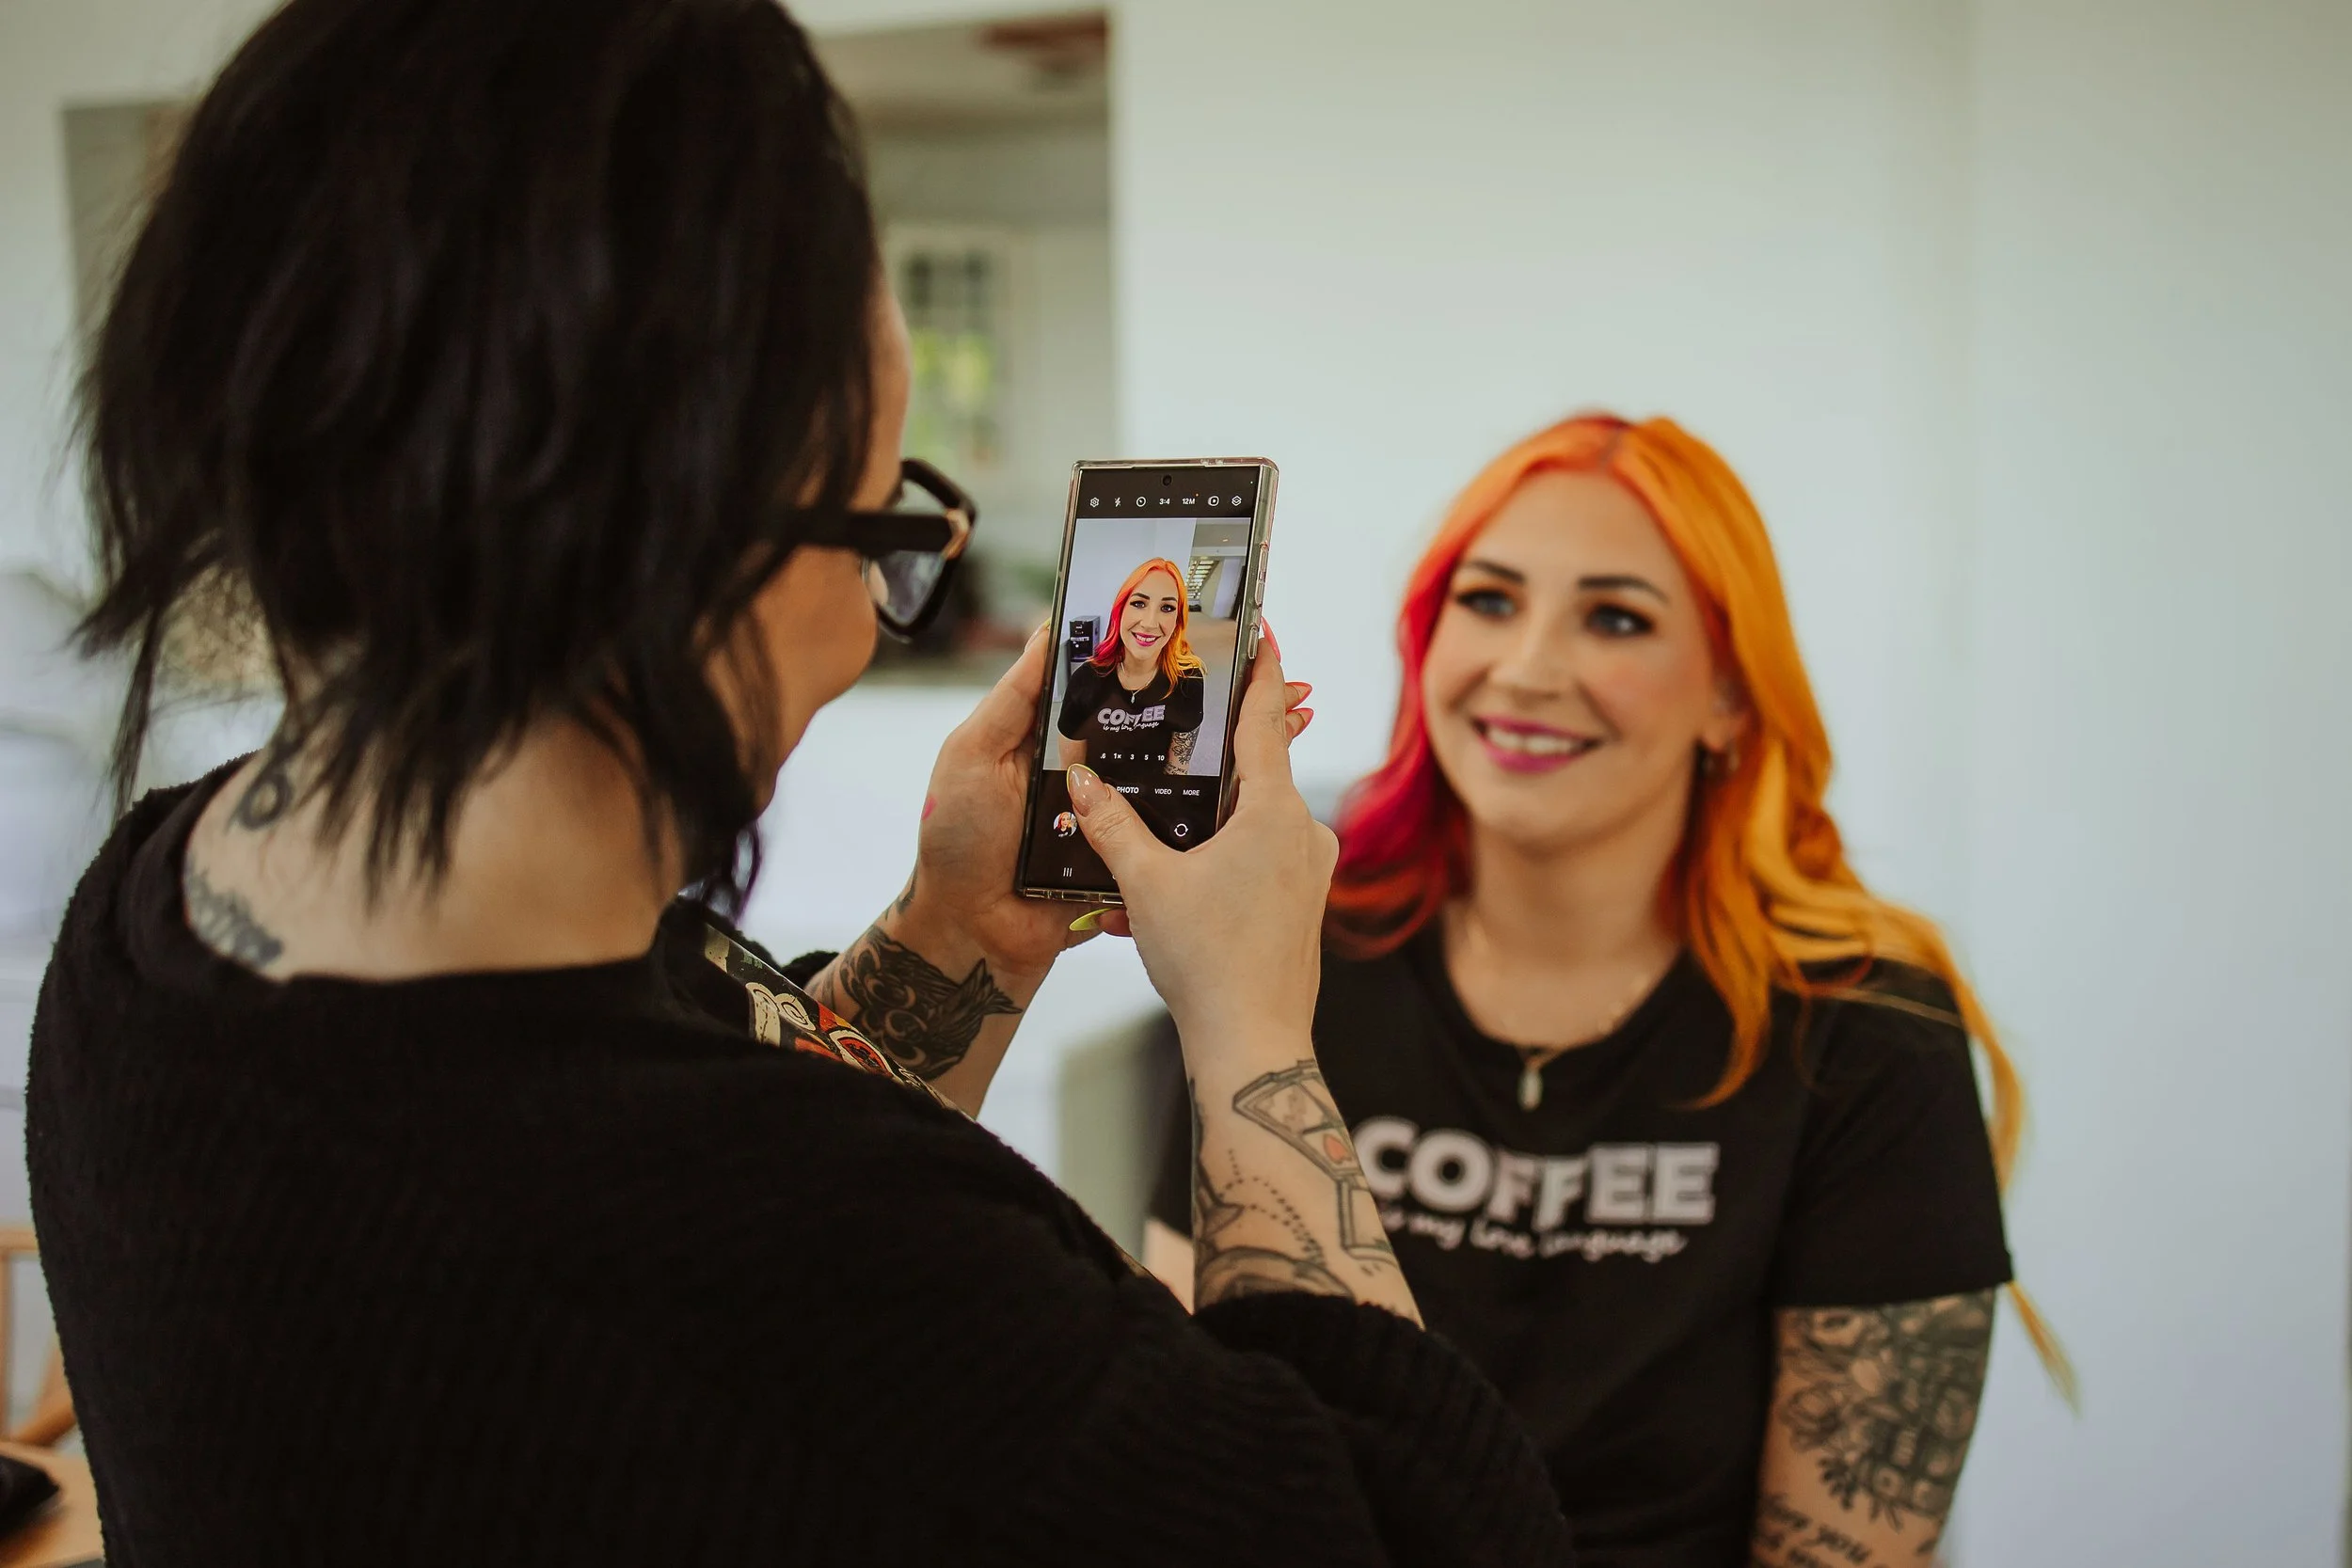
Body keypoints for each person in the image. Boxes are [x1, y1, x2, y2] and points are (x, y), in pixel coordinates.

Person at [26, 2, 1573, 1562]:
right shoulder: (849, 1290)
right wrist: (1251, 1033)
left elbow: (690, 1123)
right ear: (675, 549)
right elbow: (1427, 1536)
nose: (869, 620)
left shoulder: (150, 931)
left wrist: (966, 926)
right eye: (885, 529)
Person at [1144, 414, 2071, 1568]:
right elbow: (1194, 1434)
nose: (1528, 668)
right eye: (1486, 600)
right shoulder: (1285, 956)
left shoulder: (1870, 1034)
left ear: (1731, 697)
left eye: (1616, 617)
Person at [1057, 559, 1208, 781]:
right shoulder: (1086, 678)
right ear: (1120, 610)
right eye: (1139, 603)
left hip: (1153, 798)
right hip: (1097, 797)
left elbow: (1177, 770)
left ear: (1177, 621)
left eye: (1167, 608)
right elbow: (1071, 772)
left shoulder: (1188, 679)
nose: (1149, 622)